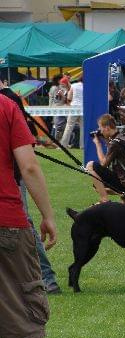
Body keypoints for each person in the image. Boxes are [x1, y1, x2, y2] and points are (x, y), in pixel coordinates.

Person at [0, 93, 57, 338]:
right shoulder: (6, 107)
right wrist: (47, 215)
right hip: (7, 220)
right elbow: (29, 167)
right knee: (27, 312)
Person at [0, 81, 61, 294]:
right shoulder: (8, 103)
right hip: (7, 203)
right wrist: (49, 216)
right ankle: (47, 278)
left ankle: (47, 277)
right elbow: (29, 167)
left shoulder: (9, 100)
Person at [85, 114, 125, 204]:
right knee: (97, 185)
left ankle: (105, 200)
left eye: (100, 128)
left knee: (90, 166)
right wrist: (106, 139)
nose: (100, 131)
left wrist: (98, 144)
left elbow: (103, 164)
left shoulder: (115, 143)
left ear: (107, 128)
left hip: (124, 181)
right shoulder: (124, 136)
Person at [60, 74, 84, 149]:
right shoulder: (89, 86)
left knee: (69, 126)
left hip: (74, 107)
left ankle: (63, 145)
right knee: (83, 127)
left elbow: (69, 97)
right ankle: (82, 146)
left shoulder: (74, 85)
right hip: (83, 107)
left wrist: (70, 103)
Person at [48, 74, 68, 141]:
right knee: (58, 126)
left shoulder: (62, 87)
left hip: (62, 108)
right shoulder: (54, 88)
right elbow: (53, 99)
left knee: (59, 126)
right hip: (57, 108)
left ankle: (57, 141)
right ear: (58, 80)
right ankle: (56, 141)